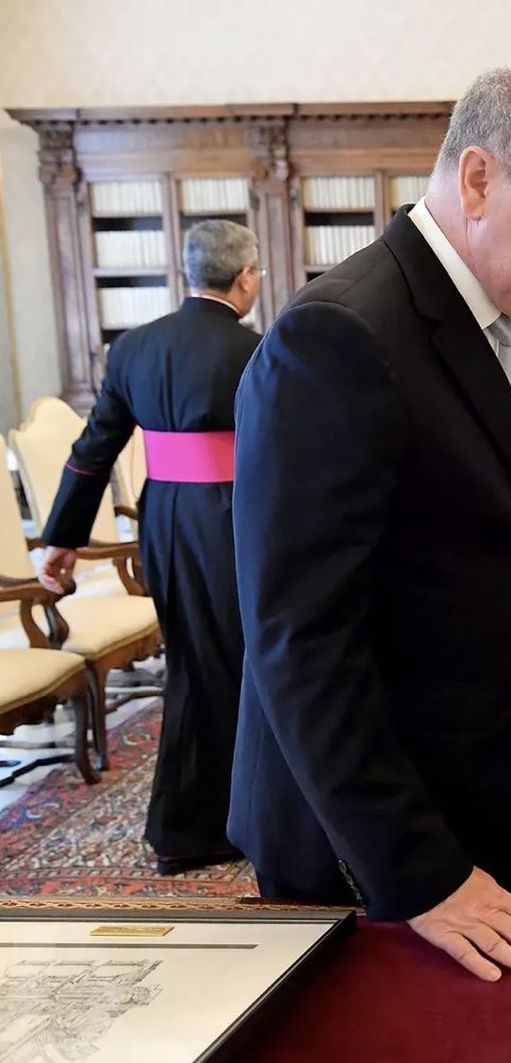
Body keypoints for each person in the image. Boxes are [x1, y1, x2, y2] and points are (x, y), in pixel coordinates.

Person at [230, 66, 511, 981]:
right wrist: (423, 874)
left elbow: (461, 548)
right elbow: (302, 640)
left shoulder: (507, 307)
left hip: (497, 807)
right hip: (385, 858)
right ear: (479, 179)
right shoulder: (341, 337)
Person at [38, 219, 262, 876]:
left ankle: (192, 822)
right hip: (232, 517)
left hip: (164, 519)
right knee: (238, 663)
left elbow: (92, 453)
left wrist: (62, 538)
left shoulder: (134, 348)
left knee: (193, 660)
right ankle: (211, 821)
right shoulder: (257, 349)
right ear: (245, 277)